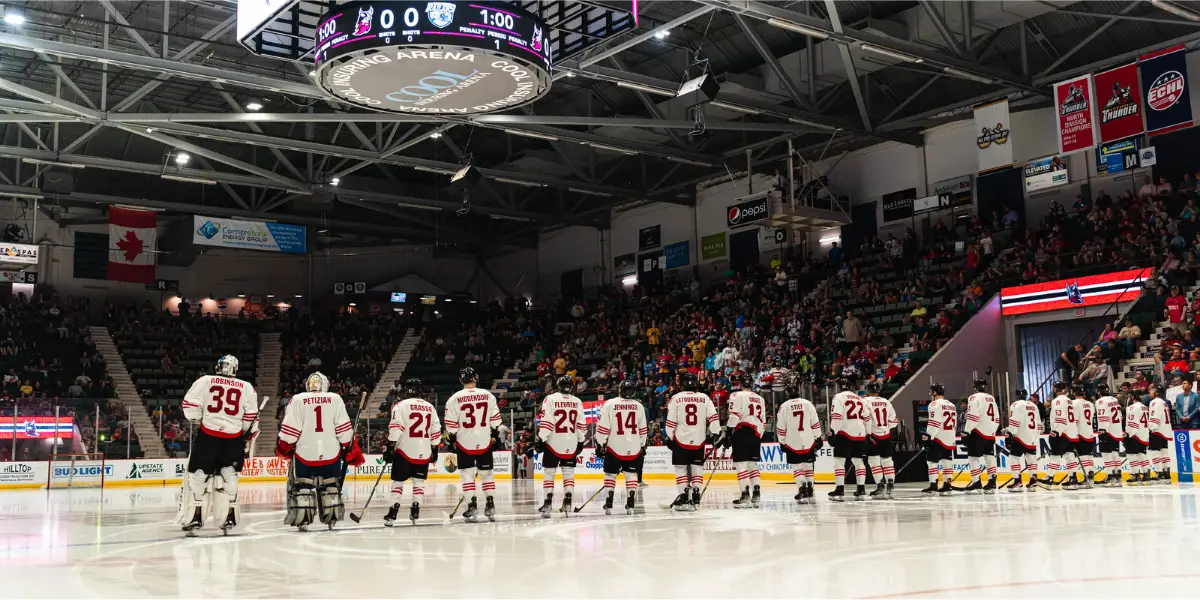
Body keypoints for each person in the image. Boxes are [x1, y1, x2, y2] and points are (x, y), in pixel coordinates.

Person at [178, 355, 260, 535]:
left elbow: (190, 405)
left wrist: (198, 419)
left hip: (209, 436)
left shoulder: (205, 380)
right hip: (233, 438)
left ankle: (195, 516)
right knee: (230, 476)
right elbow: (251, 417)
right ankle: (229, 516)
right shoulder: (246, 387)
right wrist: (243, 432)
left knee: (199, 476)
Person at [276, 372, 364, 531]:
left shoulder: (298, 400)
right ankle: (331, 518)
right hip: (331, 454)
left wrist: (284, 447)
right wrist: (348, 447)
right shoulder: (335, 399)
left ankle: (302, 519)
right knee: (330, 485)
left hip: (305, 454)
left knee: (303, 487)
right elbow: (343, 430)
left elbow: (290, 430)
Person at [444, 367, 502, 521]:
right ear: (475, 378)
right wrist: (495, 436)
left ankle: (472, 506)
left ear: (461, 380)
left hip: (464, 443)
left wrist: (451, 440)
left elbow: (451, 427)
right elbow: (496, 422)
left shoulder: (454, 398)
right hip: (484, 441)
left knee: (467, 476)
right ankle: (490, 506)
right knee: (487, 476)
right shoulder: (488, 395)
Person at [382, 381, 441, 526]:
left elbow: (396, 428)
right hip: (423, 450)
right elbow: (436, 429)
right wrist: (434, 448)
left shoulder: (400, 406)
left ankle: (393, 511)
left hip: (404, 449)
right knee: (418, 482)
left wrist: (390, 446)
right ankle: (415, 510)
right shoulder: (430, 407)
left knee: (398, 481)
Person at [665, 371, 719, 511]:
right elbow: (713, 417)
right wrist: (715, 433)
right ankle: (696, 494)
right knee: (697, 469)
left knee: (680, 469)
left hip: (680, 439)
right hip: (699, 440)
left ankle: (683, 498)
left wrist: (669, 437)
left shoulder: (676, 398)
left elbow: (671, 422)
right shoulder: (704, 398)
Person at [594, 380, 648, 515]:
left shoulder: (610, 404)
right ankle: (630, 502)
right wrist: (642, 445)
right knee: (631, 475)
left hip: (614, 447)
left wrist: (600, 444)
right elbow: (643, 430)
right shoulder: (639, 406)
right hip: (633, 448)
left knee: (610, 475)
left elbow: (603, 428)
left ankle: (609, 500)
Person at [536, 375, 586, 517]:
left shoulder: (550, 399)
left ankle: (547, 504)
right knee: (568, 475)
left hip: (553, 443)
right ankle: (568, 502)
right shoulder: (577, 401)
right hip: (570, 443)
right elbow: (581, 425)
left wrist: (541, 438)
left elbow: (547, 422)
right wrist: (581, 441)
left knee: (549, 475)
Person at [776, 374, 821, 504]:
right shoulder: (808, 403)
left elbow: (780, 427)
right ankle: (810, 488)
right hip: (808, 440)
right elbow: (815, 423)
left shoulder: (784, 406)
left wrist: (782, 441)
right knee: (808, 466)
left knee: (797, 467)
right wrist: (817, 437)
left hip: (792, 441)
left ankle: (802, 489)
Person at [726, 374, 766, 508]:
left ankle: (745, 495)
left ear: (741, 384)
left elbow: (734, 415)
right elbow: (764, 421)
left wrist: (728, 432)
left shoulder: (736, 396)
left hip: (741, 431)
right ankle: (756, 493)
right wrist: (757, 435)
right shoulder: (760, 398)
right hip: (755, 433)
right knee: (752, 465)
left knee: (741, 465)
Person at [828, 377, 868, 501]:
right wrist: (867, 433)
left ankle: (839, 489)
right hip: (860, 432)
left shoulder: (838, 397)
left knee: (839, 461)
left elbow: (836, 416)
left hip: (845, 432)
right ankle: (861, 489)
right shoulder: (860, 399)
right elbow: (867, 417)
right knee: (859, 461)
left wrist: (833, 432)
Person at [1040, 381, 1082, 489]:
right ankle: (1073, 479)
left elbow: (1060, 417)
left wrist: (1057, 431)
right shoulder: (1069, 400)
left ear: (1054, 389)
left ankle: (1049, 478)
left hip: (1062, 433)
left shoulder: (1057, 401)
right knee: (1069, 456)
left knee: (1055, 455)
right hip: (1071, 433)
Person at [962, 377, 1000, 494]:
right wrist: (993, 430)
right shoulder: (991, 398)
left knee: (973, 457)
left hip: (978, 432)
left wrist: (967, 431)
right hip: (991, 433)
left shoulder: (974, 397)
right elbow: (997, 418)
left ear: (975, 387)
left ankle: (977, 482)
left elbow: (972, 417)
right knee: (989, 457)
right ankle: (992, 481)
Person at [863, 381, 897, 499]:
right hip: (886, 435)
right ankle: (890, 484)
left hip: (872, 435)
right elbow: (894, 422)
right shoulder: (886, 402)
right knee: (887, 460)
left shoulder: (865, 401)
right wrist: (885, 428)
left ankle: (880, 485)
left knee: (874, 461)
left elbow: (865, 418)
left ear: (867, 390)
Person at [923, 383, 957, 496]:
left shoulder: (934, 404)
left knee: (932, 461)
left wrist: (929, 437)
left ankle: (933, 484)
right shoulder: (951, 405)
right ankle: (947, 484)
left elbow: (934, 422)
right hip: (950, 437)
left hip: (938, 438)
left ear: (934, 392)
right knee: (947, 461)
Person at [1005, 389, 1041, 492]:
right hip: (1032, 436)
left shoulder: (1016, 404)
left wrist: (1010, 434)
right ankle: (1033, 481)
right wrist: (1035, 435)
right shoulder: (1033, 405)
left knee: (1013, 458)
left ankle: (1017, 481)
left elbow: (1014, 421)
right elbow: (1039, 424)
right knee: (1031, 459)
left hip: (1020, 436)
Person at [1094, 383, 1124, 487]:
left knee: (1107, 454)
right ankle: (1118, 477)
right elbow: (1120, 416)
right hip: (1116, 430)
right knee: (1115, 454)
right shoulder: (1114, 399)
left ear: (1099, 392)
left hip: (1107, 430)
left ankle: (1110, 477)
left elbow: (1103, 416)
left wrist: (1102, 430)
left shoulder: (1100, 401)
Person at [1072, 385, 1097, 488]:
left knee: (1082, 456)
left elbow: (1075, 420)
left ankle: (1086, 478)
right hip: (1089, 432)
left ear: (1074, 394)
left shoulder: (1074, 403)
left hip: (1080, 433)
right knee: (1089, 455)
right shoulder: (1090, 404)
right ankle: (1090, 476)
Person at [1148, 386, 1174, 484]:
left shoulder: (1154, 402)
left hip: (1157, 430)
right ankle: (1166, 474)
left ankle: (1158, 473)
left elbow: (1155, 417)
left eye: (1153, 390)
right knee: (1164, 452)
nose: (1151, 392)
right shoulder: (1164, 403)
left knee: (1155, 453)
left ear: (1157, 393)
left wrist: (1151, 429)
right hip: (1165, 431)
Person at [1125, 394, 1151, 485]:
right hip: (1144, 434)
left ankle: (1136, 475)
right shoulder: (1145, 407)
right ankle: (1147, 475)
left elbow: (1132, 423)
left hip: (1135, 434)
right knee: (1142, 454)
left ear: (1132, 397)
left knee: (1131, 455)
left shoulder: (1132, 407)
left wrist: (1128, 434)